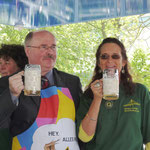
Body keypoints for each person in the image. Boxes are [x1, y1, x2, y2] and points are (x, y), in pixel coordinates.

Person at [0, 30, 83, 150]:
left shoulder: (72, 82)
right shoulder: (7, 83)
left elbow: (81, 123)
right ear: (28, 51)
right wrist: (11, 95)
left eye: (53, 47)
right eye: (43, 47)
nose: (50, 52)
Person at [76, 37, 150, 150]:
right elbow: (84, 137)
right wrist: (97, 99)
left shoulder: (140, 92)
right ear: (99, 63)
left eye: (115, 56)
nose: (109, 61)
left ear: (124, 62)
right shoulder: (89, 95)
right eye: (104, 57)